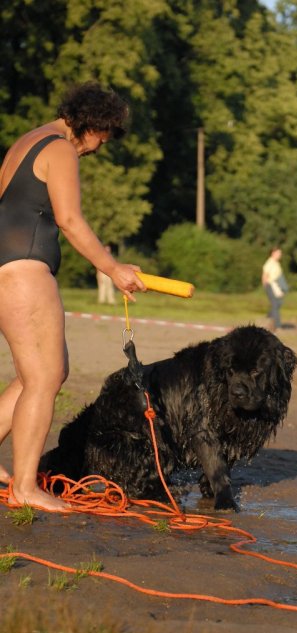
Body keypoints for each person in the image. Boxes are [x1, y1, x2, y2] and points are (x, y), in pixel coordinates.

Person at [0, 81, 146, 511]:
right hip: (24, 273)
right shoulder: (60, 148)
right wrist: (113, 268)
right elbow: (69, 219)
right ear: (92, 124)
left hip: (8, 270)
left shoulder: (25, 142)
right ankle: (25, 488)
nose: (97, 148)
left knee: (41, 374)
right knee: (44, 378)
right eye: (102, 138)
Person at [262, 247, 288, 332]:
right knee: (275, 305)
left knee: (278, 303)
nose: (280, 255)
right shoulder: (269, 263)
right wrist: (266, 286)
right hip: (271, 285)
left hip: (276, 286)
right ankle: (277, 325)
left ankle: (268, 318)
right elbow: (265, 275)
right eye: (278, 253)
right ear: (273, 253)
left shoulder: (276, 263)